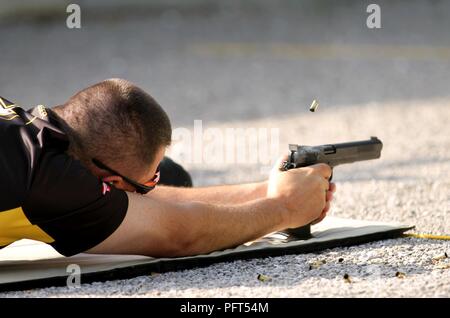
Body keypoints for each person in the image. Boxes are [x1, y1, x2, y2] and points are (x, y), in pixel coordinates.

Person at [0, 79, 335, 257]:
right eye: (146, 184)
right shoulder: (49, 182)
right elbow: (180, 234)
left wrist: (265, 191)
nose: (154, 188)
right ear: (111, 181)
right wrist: (285, 208)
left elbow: (147, 205)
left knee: (177, 177)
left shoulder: (28, 131)